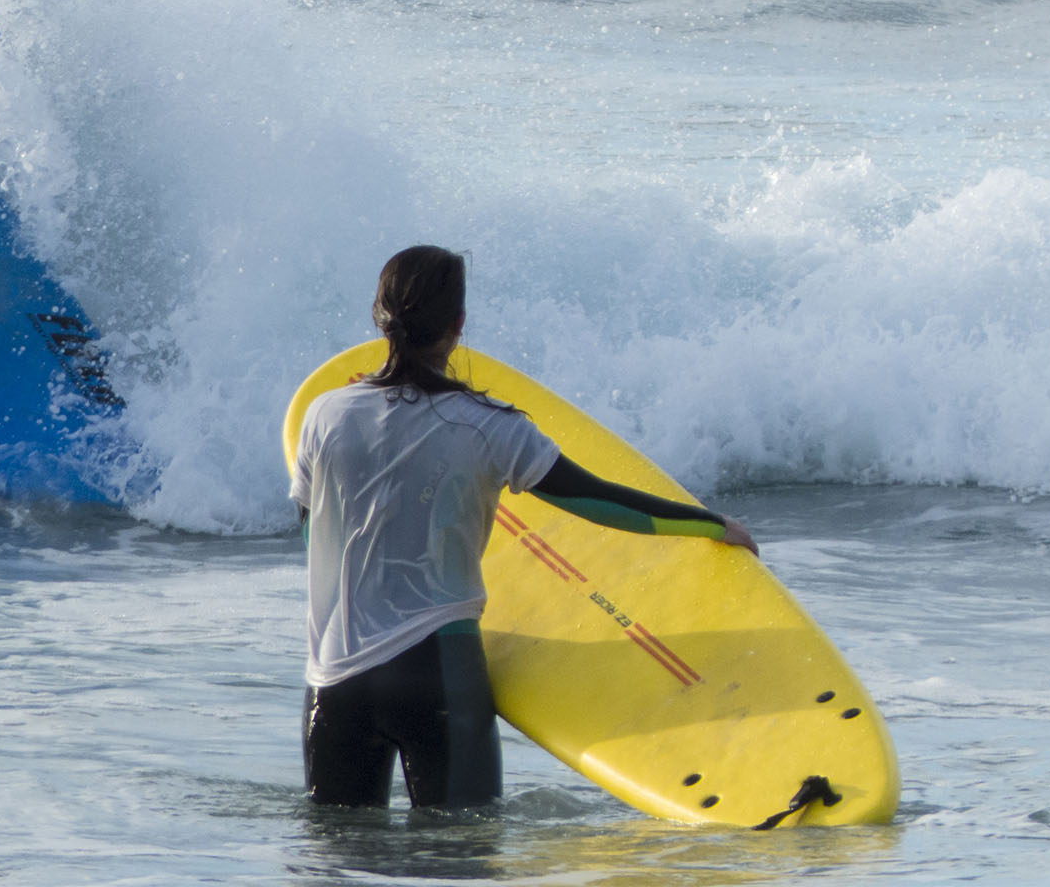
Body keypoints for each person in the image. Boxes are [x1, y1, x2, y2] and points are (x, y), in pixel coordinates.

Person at [289, 245, 757, 810]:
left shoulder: (325, 414)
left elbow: (313, 529)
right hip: (439, 673)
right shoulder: (491, 427)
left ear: (379, 317)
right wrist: (710, 524)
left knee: (335, 861)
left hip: (335, 680)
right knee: (460, 857)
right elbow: (596, 500)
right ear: (457, 325)